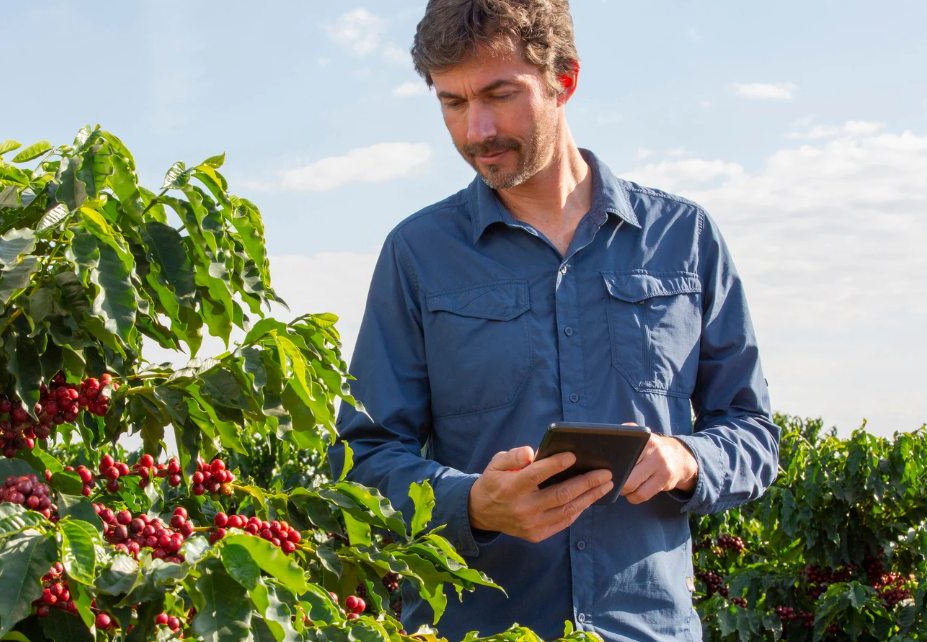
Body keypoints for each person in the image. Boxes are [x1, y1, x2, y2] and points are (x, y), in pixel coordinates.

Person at [327, 1, 781, 639]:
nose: (476, 130)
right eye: (452, 104)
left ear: (564, 79)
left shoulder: (686, 238)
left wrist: (685, 459)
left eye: (499, 94)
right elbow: (362, 457)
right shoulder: (417, 253)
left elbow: (754, 433)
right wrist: (471, 504)